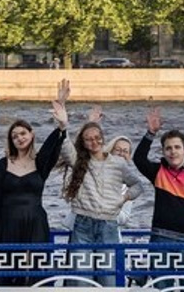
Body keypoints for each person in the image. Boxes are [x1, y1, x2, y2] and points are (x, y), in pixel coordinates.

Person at [0, 84, 69, 245]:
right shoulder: (3, 164)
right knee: (9, 261)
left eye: (23, 133)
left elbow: (53, 146)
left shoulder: (40, 163)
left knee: (36, 260)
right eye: (15, 136)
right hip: (7, 225)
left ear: (32, 134)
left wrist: (62, 125)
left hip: (35, 224)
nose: (19, 138)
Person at [59, 104, 143, 249]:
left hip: (108, 223)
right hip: (83, 222)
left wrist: (123, 198)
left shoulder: (118, 163)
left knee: (108, 263)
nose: (94, 142)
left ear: (103, 139)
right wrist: (62, 125)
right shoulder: (79, 161)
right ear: (84, 143)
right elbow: (65, 147)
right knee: (80, 263)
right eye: (89, 139)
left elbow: (138, 185)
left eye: (97, 138)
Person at [133, 108, 184, 244]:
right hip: (160, 237)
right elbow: (139, 159)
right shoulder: (159, 172)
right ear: (163, 152)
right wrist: (151, 133)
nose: (173, 152)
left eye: (177, 147)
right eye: (168, 148)